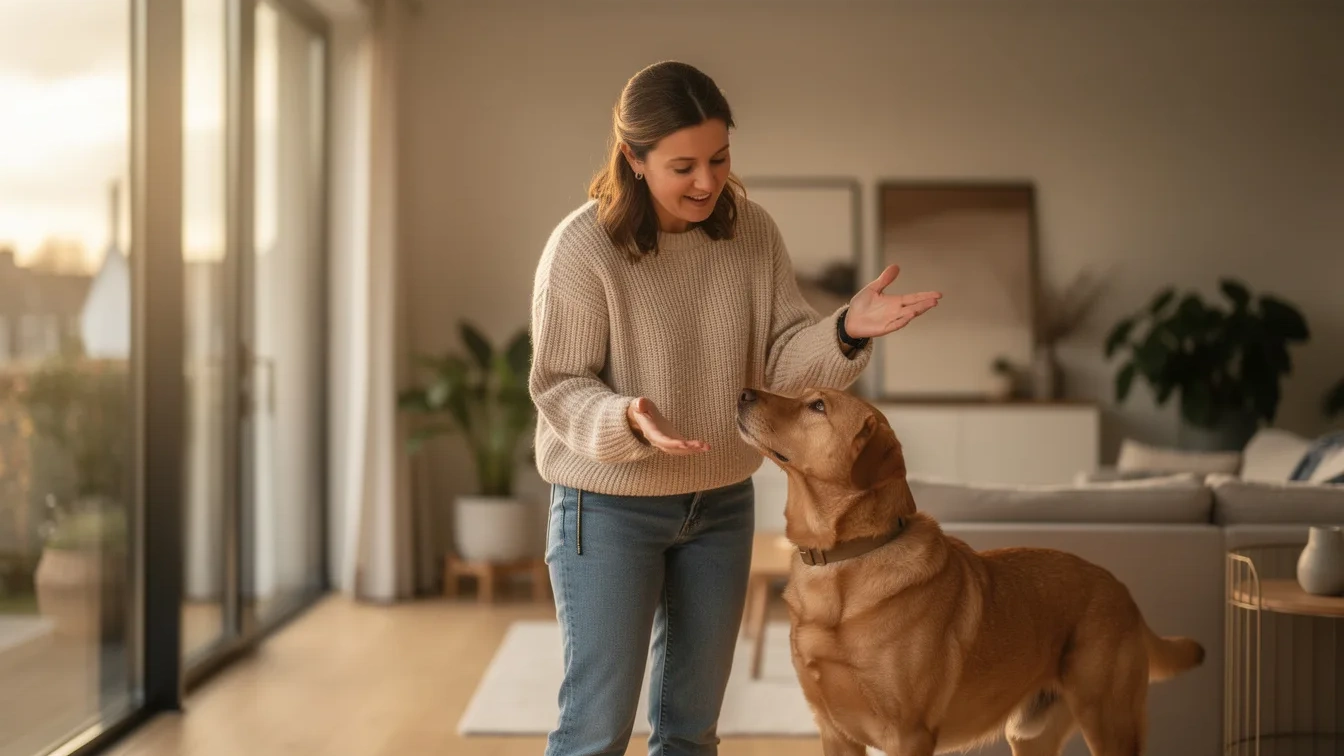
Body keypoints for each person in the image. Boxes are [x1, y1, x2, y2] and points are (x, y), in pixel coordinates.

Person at [527, 60, 942, 756]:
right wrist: (627, 419)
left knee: (691, 732)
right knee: (595, 729)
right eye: (683, 165)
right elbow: (558, 383)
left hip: (719, 504)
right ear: (633, 158)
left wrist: (844, 330)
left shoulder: (751, 232)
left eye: (719, 158)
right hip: (606, 508)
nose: (707, 181)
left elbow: (781, 357)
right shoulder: (582, 247)